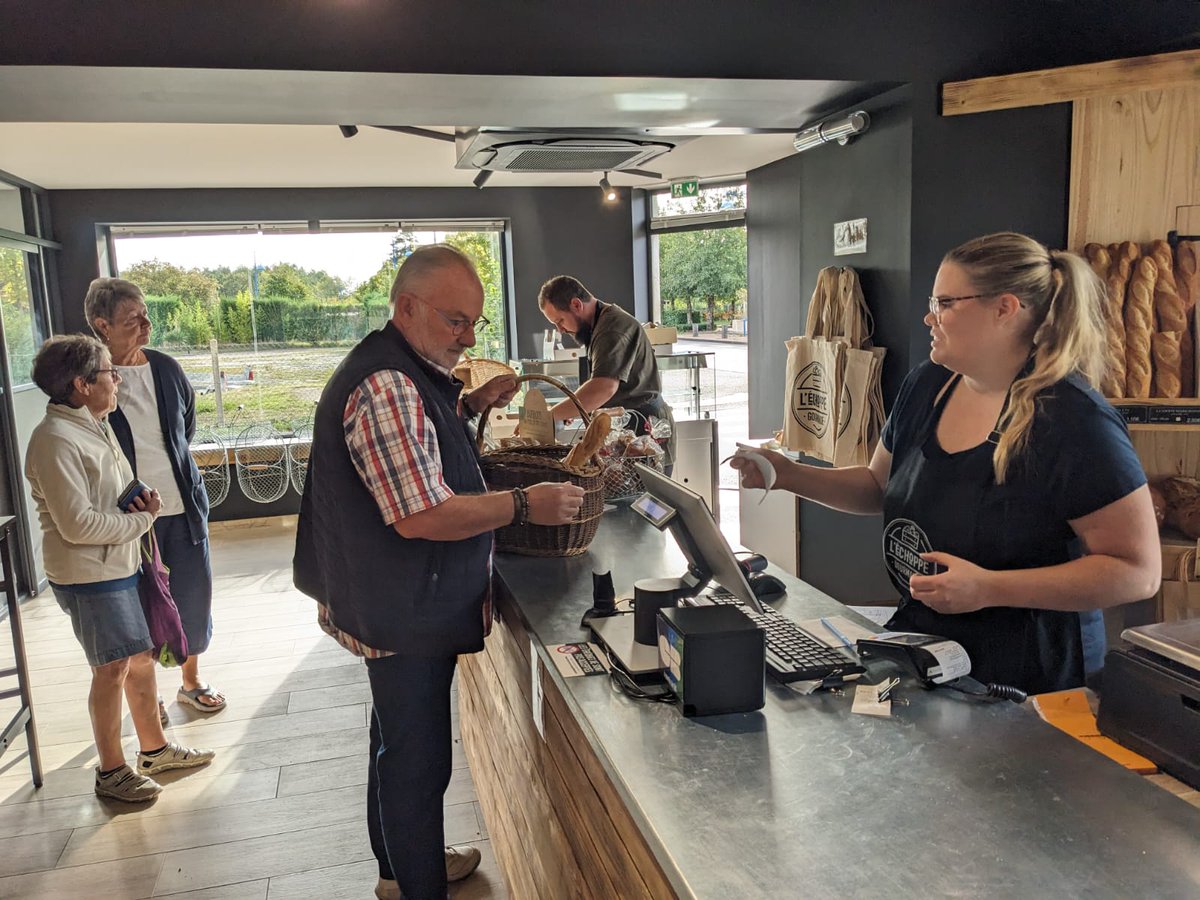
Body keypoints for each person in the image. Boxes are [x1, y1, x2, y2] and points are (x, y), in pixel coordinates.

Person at [733, 232, 1160, 695]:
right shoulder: (929, 384)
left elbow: (1136, 571)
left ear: (1005, 309)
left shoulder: (1074, 420)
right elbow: (879, 486)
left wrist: (991, 588)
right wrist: (784, 473)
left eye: (945, 303)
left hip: (1030, 678)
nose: (928, 317)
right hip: (925, 651)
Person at [294, 245, 585, 900]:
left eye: (474, 323)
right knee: (418, 765)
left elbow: (418, 444)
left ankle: (399, 869)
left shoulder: (399, 369)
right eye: (456, 321)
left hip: (384, 597)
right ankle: (416, 884)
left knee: (394, 742)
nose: (467, 337)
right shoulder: (388, 383)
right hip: (402, 605)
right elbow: (421, 513)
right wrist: (522, 503)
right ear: (406, 307)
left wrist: (474, 403)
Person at [25, 335, 215, 802]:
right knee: (110, 669)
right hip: (89, 574)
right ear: (82, 384)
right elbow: (77, 524)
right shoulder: (55, 440)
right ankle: (110, 771)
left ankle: (153, 750)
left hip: (118, 562)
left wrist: (138, 500)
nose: (117, 380)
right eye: (110, 373)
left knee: (140, 659)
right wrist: (144, 519)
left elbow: (110, 489)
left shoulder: (94, 422)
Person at [84, 277, 224, 724]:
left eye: (146, 314)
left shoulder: (166, 367)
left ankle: (191, 681)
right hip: (127, 518)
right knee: (139, 604)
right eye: (133, 319)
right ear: (102, 326)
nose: (146, 324)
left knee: (192, 595)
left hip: (183, 506)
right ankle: (148, 699)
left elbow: (186, 429)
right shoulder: (90, 380)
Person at [538, 275, 675, 462]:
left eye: (560, 321)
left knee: (647, 491)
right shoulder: (599, 325)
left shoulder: (612, 328)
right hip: (626, 426)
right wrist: (571, 410)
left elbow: (603, 388)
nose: (561, 330)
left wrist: (547, 417)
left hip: (645, 427)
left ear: (577, 305)